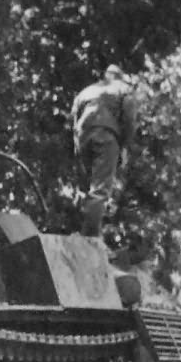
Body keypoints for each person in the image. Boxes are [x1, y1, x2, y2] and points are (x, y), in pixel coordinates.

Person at [72, 65, 138, 235]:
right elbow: (129, 119)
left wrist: (77, 147)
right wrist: (125, 146)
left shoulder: (86, 91)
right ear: (119, 77)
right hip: (106, 137)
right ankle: (90, 238)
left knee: (86, 188)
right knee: (100, 189)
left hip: (83, 137)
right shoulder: (123, 89)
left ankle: (81, 230)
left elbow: (74, 120)